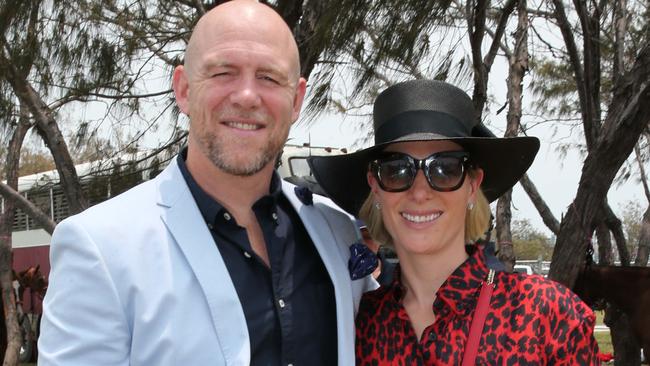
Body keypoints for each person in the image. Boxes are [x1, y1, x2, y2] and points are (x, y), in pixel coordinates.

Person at [38, 1, 375, 365]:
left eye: (269, 77)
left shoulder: (336, 231)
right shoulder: (100, 248)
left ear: (296, 100)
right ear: (183, 89)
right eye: (223, 73)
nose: (247, 96)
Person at [309, 79, 600, 365]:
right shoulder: (362, 325)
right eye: (397, 170)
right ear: (376, 187)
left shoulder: (547, 316)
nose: (420, 192)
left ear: (473, 185)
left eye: (445, 169)